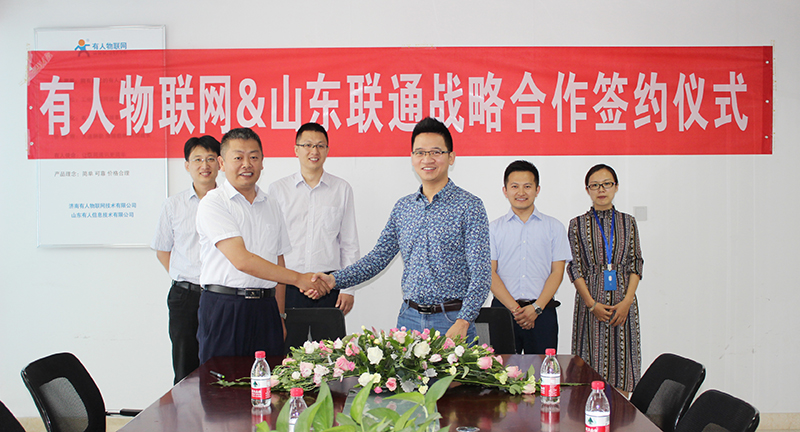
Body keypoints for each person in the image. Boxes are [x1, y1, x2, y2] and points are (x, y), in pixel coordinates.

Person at [314, 117, 491, 342]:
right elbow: (377, 258)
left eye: (436, 152)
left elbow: (481, 273)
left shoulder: (469, 206)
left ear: (451, 157)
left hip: (452, 320)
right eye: (420, 152)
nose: (427, 159)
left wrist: (464, 320)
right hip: (409, 319)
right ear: (412, 158)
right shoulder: (404, 208)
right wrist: (334, 280)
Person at [195, 127, 329, 363]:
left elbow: (278, 259)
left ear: (262, 162)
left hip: (266, 309)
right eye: (238, 157)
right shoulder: (213, 203)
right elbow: (242, 260)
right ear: (222, 163)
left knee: (270, 379)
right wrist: (299, 279)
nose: (247, 164)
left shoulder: (271, 204)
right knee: (222, 382)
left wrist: (280, 316)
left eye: (254, 157)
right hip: (225, 307)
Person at [268, 122, 360, 346]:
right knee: (288, 356)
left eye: (320, 145)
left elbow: (348, 243)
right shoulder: (278, 190)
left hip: (328, 286)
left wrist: (348, 288)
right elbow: (271, 244)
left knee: (331, 358)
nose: (314, 151)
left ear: (327, 150)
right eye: (307, 145)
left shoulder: (341, 189)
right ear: (296, 149)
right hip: (289, 285)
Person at [567, 163, 644, 396]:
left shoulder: (628, 222)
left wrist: (627, 301)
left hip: (623, 304)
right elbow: (575, 268)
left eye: (607, 184)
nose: (601, 190)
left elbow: (636, 262)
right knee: (589, 367)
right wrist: (592, 304)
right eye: (595, 185)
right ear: (587, 190)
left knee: (622, 365)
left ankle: (620, 413)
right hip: (590, 305)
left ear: (616, 187)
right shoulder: (577, 224)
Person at [151, 135, 220, 384]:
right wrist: (185, 275)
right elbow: (162, 249)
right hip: (185, 297)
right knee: (184, 368)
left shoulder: (230, 202)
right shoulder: (173, 205)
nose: (205, 165)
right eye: (198, 159)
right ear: (187, 165)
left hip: (221, 296)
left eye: (210, 158)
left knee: (220, 366)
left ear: (220, 163)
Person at [489, 160, 572, 354]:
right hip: (503, 312)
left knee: (543, 369)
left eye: (527, 186)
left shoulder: (554, 227)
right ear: (505, 190)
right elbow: (489, 272)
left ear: (537, 189)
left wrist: (536, 308)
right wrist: (515, 309)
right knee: (501, 370)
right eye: (514, 186)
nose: (521, 192)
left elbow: (557, 272)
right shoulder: (493, 229)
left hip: (543, 312)